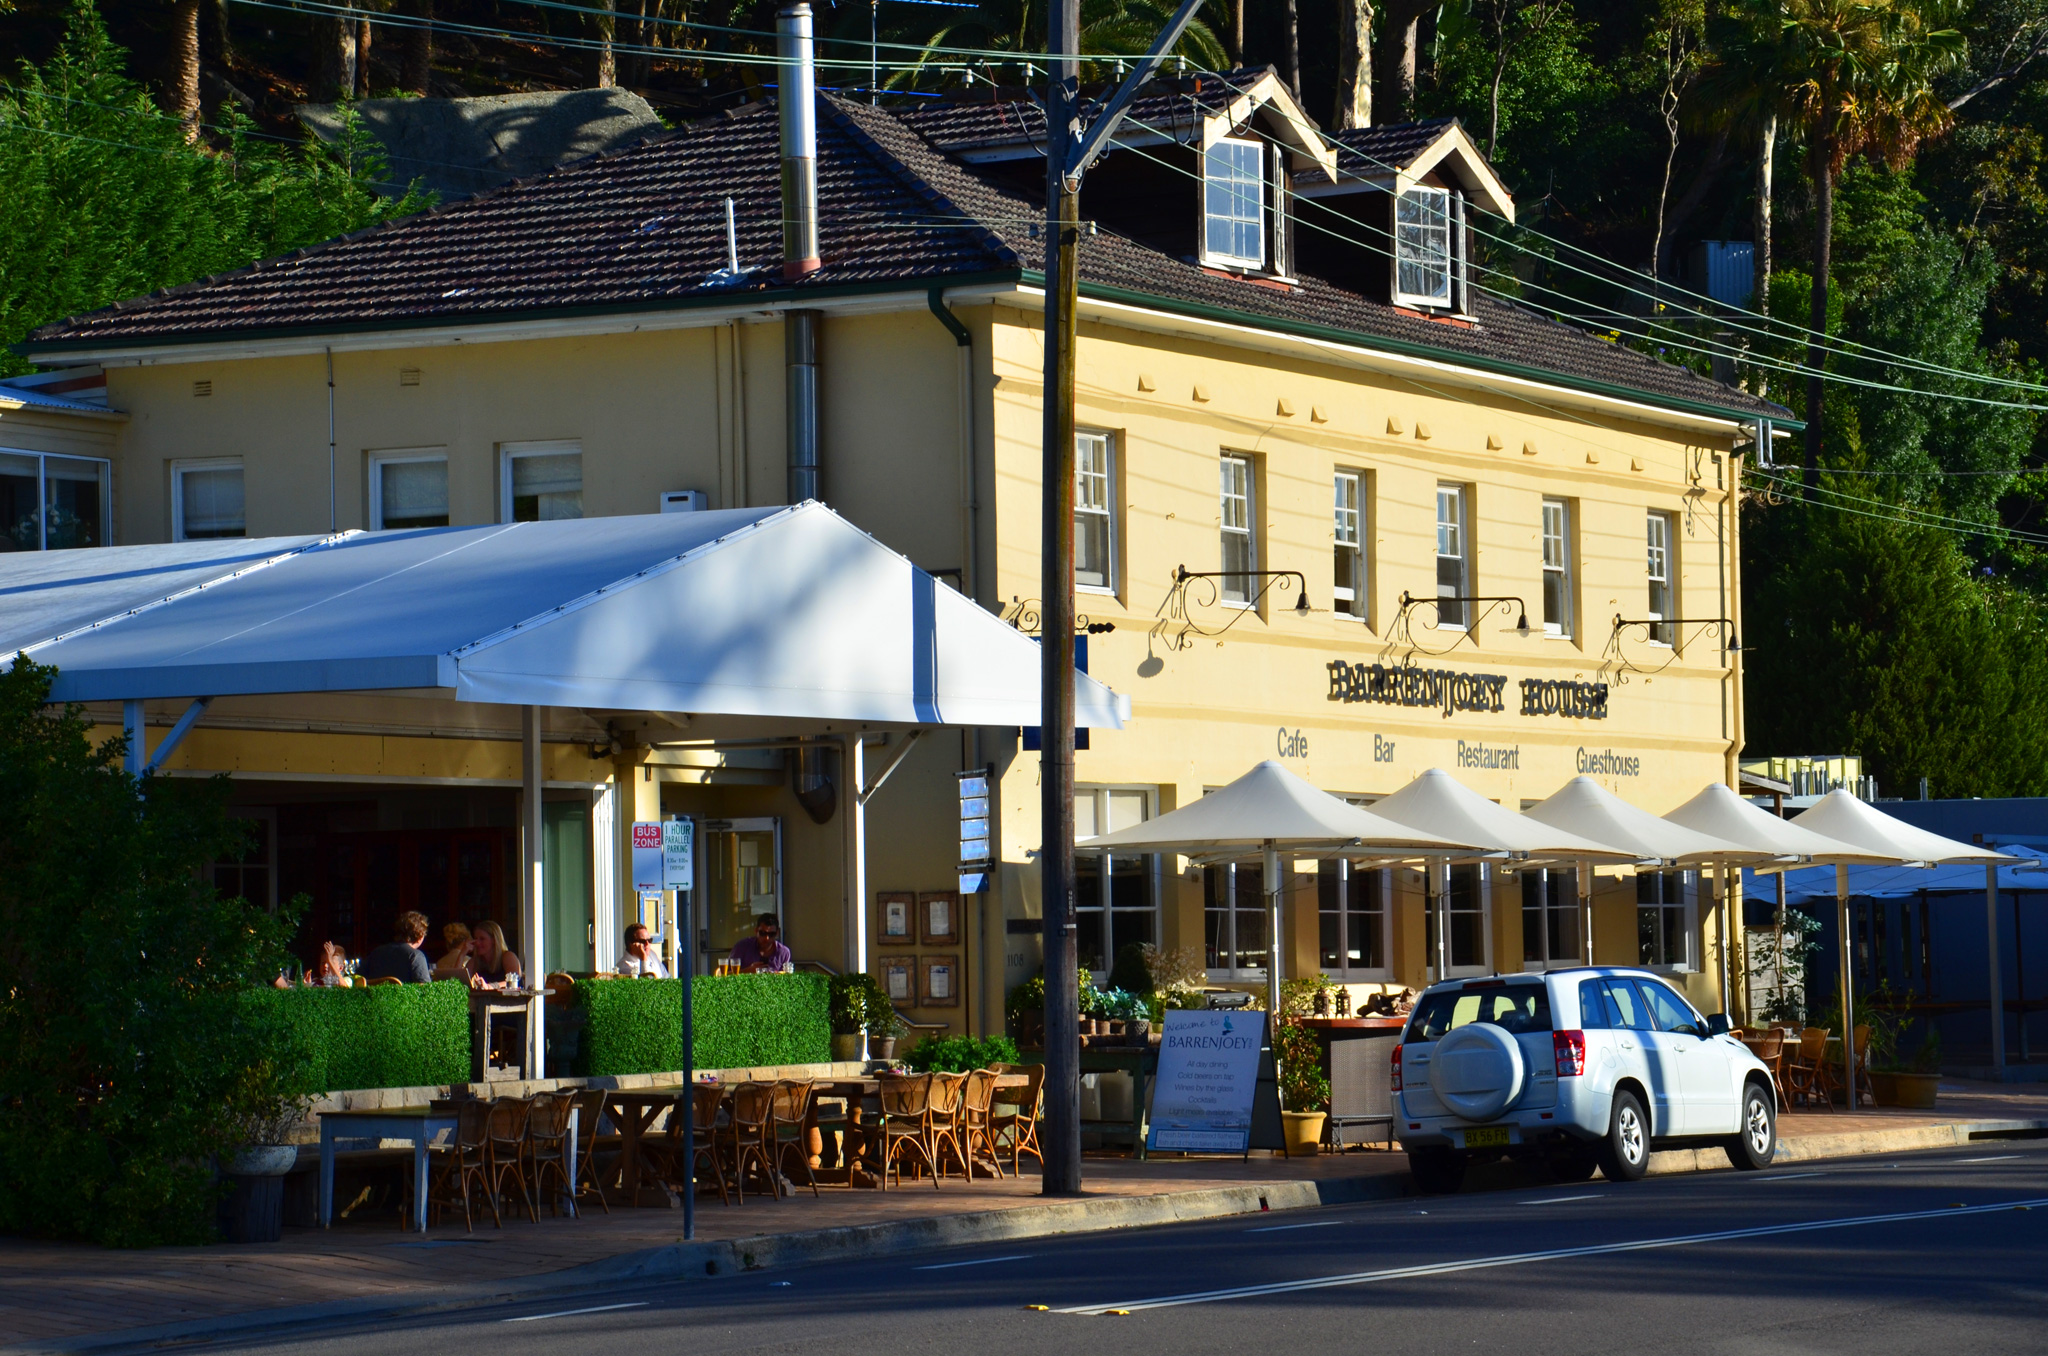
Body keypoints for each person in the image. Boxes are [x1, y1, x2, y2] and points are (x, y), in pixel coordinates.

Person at [361, 911, 434, 983]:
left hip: (374, 995)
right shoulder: (415, 956)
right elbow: (425, 990)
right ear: (421, 935)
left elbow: (359, 980)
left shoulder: (376, 952)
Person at [466, 919, 523, 989]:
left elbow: (513, 981)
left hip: (508, 999)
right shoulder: (475, 961)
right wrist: (462, 953)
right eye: (475, 939)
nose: (477, 943)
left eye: (482, 939)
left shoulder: (507, 956)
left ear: (494, 940)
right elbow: (458, 981)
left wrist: (489, 986)